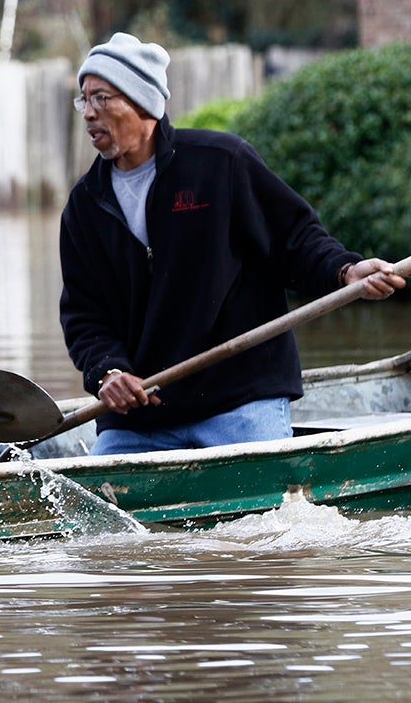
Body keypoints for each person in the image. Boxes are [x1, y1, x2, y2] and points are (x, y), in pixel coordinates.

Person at [59, 32, 405, 455]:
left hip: (239, 400)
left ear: (142, 101)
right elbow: (83, 314)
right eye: (83, 100)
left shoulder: (220, 164)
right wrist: (107, 373)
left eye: (101, 98)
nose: (88, 113)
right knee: (92, 498)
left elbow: (294, 239)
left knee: (269, 497)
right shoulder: (84, 206)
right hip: (142, 418)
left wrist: (346, 271)